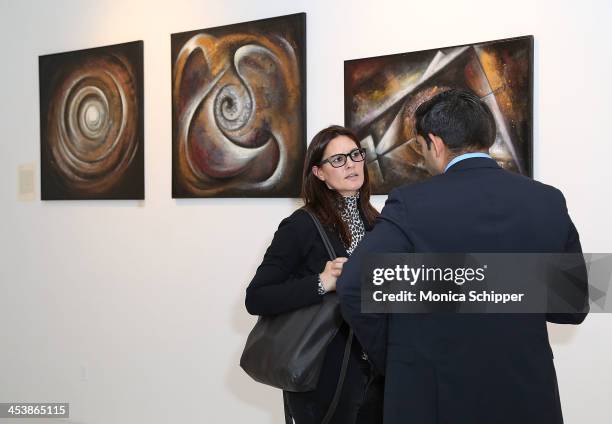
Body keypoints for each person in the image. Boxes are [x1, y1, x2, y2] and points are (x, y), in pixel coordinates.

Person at [336, 89, 589, 424]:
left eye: (421, 147)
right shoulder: (546, 200)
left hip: (436, 396)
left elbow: (354, 286)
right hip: (525, 395)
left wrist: (396, 359)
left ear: (435, 143)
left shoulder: (411, 203)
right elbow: (572, 306)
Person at [245, 126, 384, 424]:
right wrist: (320, 283)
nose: (350, 164)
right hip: (324, 377)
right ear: (319, 173)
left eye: (355, 154)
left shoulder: (380, 224)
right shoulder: (301, 226)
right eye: (337, 160)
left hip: (376, 375)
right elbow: (256, 297)